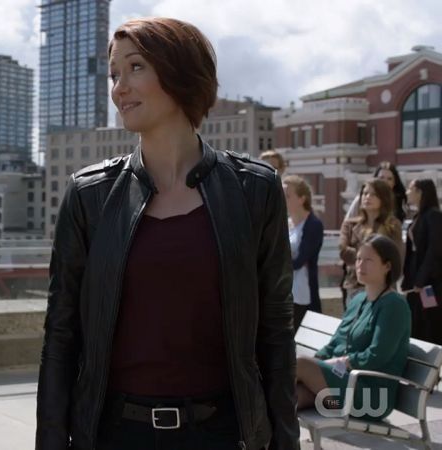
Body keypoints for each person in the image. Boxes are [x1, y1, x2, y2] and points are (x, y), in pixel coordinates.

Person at [36, 17, 298, 450]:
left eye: (135, 67)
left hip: (222, 433)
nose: (119, 87)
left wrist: (285, 441)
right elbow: (61, 334)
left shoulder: (254, 188)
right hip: (115, 434)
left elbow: (275, 330)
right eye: (114, 74)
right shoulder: (90, 194)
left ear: (180, 72)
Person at [296, 234, 409, 421]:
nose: (360, 265)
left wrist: (340, 363)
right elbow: (335, 343)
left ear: (387, 266)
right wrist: (319, 361)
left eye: (368, 260)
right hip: (335, 397)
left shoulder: (394, 305)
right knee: (290, 398)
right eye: (358, 259)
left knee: (299, 364)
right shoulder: (358, 299)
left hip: (370, 401)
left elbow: (377, 355)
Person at [339, 178, 404, 307]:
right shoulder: (350, 225)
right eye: (365, 193)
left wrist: (360, 255)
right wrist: (373, 258)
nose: (367, 197)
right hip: (355, 286)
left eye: (373, 194)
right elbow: (343, 251)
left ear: (383, 198)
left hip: (383, 288)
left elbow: (395, 257)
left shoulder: (392, 226)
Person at [402, 178, 442, 345]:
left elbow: (434, 250)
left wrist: (421, 280)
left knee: (430, 319)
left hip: (428, 284)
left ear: (420, 192)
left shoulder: (434, 216)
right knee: (416, 320)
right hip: (416, 282)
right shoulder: (418, 216)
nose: (407, 192)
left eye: (410, 189)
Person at [282, 175, 324, 329]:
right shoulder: (284, 223)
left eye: (287, 196)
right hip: (284, 291)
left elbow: (300, 261)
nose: (282, 200)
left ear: (302, 199)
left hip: (302, 293)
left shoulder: (313, 224)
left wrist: (277, 261)